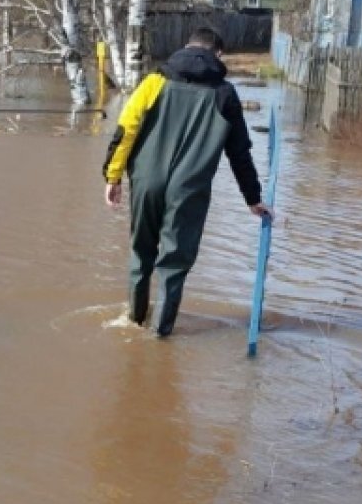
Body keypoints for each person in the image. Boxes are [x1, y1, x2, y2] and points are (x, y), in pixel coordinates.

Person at [102, 27, 273, 337]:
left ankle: (133, 320)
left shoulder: (154, 81)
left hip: (145, 182)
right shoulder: (224, 95)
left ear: (186, 47)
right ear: (217, 54)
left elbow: (125, 129)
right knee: (174, 264)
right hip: (188, 191)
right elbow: (240, 153)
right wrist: (253, 198)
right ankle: (159, 335)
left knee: (141, 254)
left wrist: (113, 176)